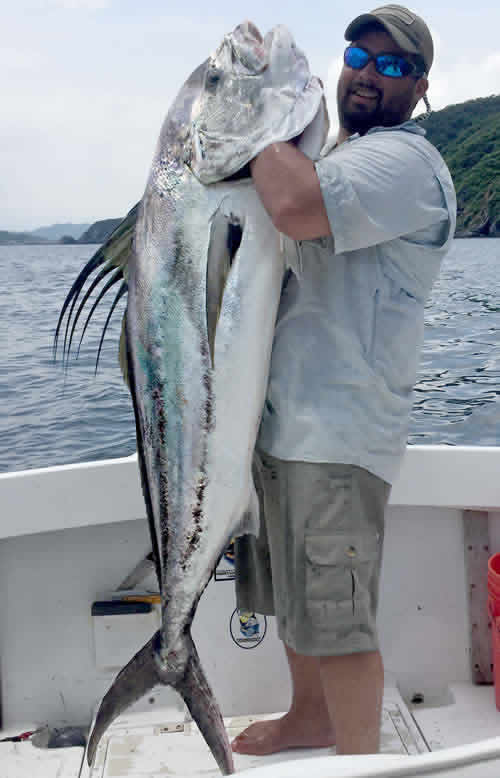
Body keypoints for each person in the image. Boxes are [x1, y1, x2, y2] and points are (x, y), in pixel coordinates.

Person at [232, 4, 456, 758]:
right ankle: (310, 717)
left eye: (393, 65)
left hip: (341, 431)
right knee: (292, 597)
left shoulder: (406, 162)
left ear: (418, 87)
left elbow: (293, 207)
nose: (369, 72)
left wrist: (252, 104)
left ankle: (361, 757)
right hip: (279, 421)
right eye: (360, 55)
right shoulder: (333, 157)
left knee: (337, 612)